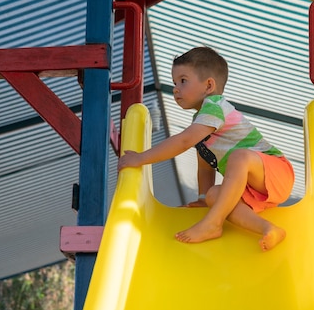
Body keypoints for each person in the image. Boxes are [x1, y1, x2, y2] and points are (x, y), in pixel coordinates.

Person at [117, 46, 294, 251]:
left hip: (277, 172)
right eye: (174, 83)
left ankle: (213, 223)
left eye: (183, 81)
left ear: (209, 85)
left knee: (239, 157)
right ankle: (269, 229)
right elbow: (205, 167)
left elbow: (183, 141)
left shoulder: (215, 106)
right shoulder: (202, 122)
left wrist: (141, 158)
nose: (175, 88)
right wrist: (202, 199)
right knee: (213, 195)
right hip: (255, 190)